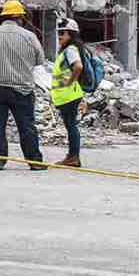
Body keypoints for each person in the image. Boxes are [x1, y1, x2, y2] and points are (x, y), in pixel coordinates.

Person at [0, 0, 46, 171]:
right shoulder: (29, 37)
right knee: (26, 125)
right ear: (20, 17)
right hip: (22, 89)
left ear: (3, 16)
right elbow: (40, 60)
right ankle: (34, 161)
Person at [52, 17, 85, 167]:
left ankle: (73, 157)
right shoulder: (66, 50)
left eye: (62, 33)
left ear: (71, 34)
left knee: (71, 125)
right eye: (58, 33)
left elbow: (78, 67)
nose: (59, 36)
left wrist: (70, 82)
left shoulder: (71, 50)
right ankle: (72, 156)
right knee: (70, 125)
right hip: (67, 96)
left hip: (70, 95)